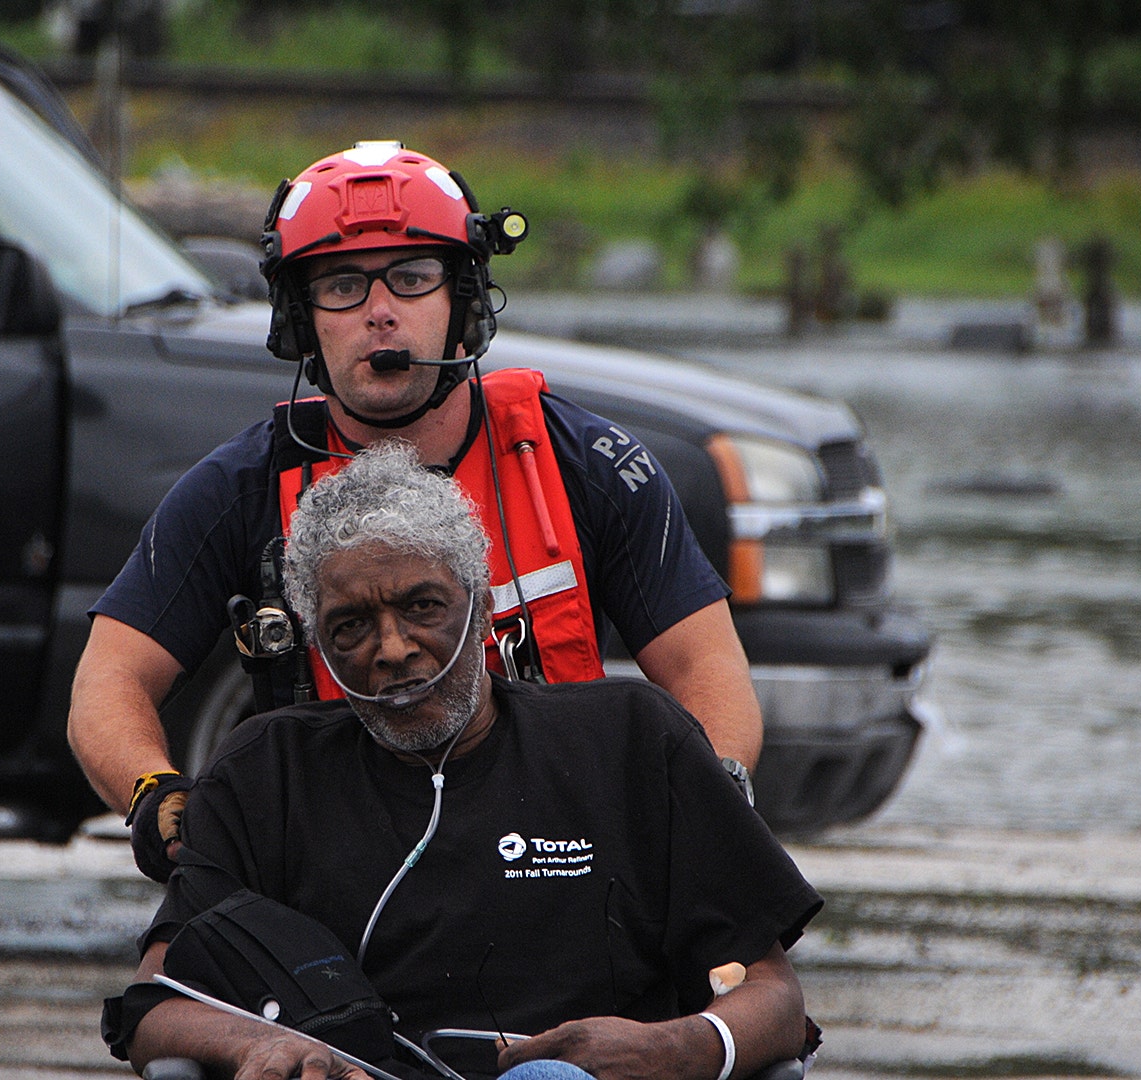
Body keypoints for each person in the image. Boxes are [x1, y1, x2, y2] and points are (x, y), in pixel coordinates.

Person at [70, 141, 763, 882]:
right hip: (344, 867)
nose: (379, 314)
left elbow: (707, 667)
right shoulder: (237, 488)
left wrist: (709, 799)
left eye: (411, 279)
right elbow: (108, 680)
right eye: (342, 286)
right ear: (300, 320)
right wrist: (153, 792)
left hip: (562, 857)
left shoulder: (585, 464)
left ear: (462, 302)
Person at [102, 443, 821, 1080]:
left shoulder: (632, 741)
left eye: (423, 607)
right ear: (317, 645)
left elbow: (776, 1000)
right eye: (350, 626)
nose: (391, 649)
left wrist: (676, 1049)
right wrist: (258, 1044)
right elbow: (155, 1005)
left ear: (482, 611)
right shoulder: (268, 771)